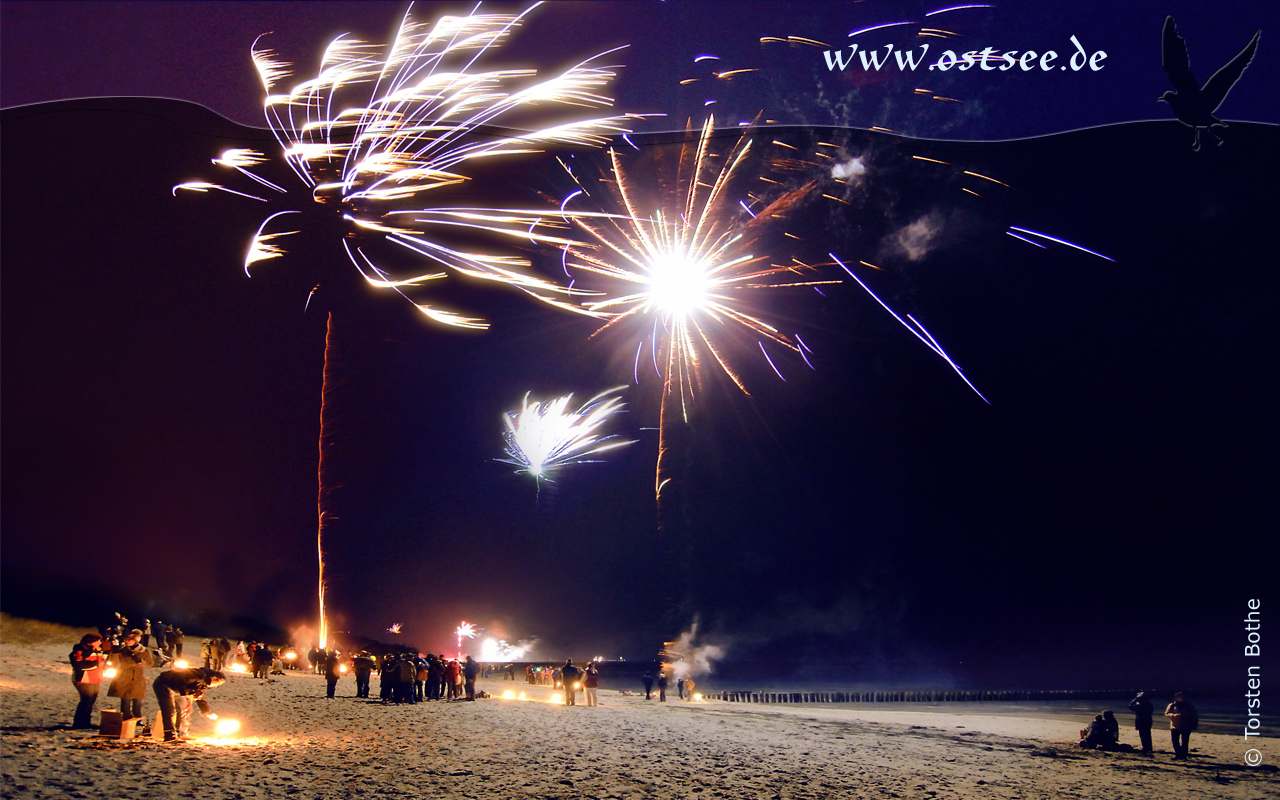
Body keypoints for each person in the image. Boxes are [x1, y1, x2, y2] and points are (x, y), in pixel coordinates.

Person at [153, 667, 226, 742]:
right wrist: (190, 693)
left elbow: (200, 696)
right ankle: (170, 736)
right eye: (217, 684)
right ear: (214, 678)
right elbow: (181, 681)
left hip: (177, 689)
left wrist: (206, 712)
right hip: (164, 684)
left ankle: (181, 733)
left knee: (183, 710)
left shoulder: (204, 682)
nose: (216, 686)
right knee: (170, 711)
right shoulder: (198, 675)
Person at [107, 629, 154, 721]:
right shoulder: (122, 651)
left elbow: (150, 664)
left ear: (135, 641)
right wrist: (115, 652)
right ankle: (126, 718)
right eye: (126, 640)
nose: (127, 642)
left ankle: (137, 718)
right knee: (125, 699)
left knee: (137, 699)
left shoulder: (144, 651)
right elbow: (115, 662)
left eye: (129, 640)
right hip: (124, 676)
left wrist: (141, 663)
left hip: (138, 677)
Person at [69, 633, 107, 729]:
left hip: (95, 679)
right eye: (98, 641)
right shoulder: (80, 651)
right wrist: (96, 664)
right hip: (83, 679)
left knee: (91, 701)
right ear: (91, 642)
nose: (100, 642)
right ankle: (78, 723)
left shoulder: (97, 651)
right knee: (86, 700)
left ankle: (86, 722)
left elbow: (102, 662)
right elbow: (78, 665)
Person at [1165, 691, 1199, 760]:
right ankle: (1178, 754)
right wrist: (1174, 715)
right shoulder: (1172, 705)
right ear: (1176, 698)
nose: (1181, 698)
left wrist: (1194, 725)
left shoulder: (1189, 706)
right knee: (1175, 741)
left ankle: (1183, 756)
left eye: (1182, 697)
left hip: (1186, 726)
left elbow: (1194, 716)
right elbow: (1166, 714)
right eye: (1179, 697)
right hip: (1175, 726)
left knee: (1185, 742)